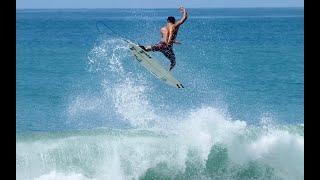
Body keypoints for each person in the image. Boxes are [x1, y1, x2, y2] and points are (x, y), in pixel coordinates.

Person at [140, 6, 188, 71]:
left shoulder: (162, 29)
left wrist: (173, 41)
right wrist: (184, 10)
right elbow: (184, 18)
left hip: (161, 45)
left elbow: (164, 38)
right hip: (168, 48)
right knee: (173, 61)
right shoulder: (174, 26)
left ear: (167, 21)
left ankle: (142, 48)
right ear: (174, 21)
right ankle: (168, 72)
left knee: (149, 48)